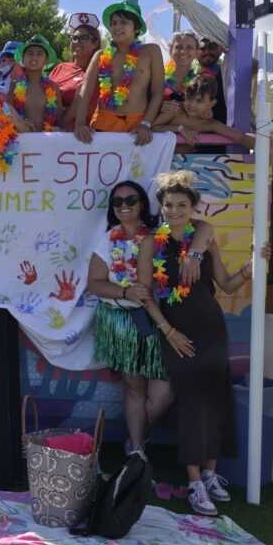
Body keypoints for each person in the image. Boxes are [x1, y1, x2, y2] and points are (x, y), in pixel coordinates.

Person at [142, 171, 247, 516]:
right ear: (161, 207)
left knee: (215, 398)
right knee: (190, 401)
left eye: (181, 205)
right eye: (168, 205)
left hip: (211, 328)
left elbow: (227, 285)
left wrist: (250, 267)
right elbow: (145, 295)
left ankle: (211, 474)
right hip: (177, 333)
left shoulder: (204, 238)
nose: (174, 211)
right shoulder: (151, 244)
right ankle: (194, 483)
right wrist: (168, 331)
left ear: (192, 208)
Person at [86, 181, 169, 459]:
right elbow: (95, 284)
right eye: (117, 202)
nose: (124, 206)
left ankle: (139, 434)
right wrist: (125, 292)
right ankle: (136, 448)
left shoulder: (158, 236)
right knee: (135, 387)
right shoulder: (107, 240)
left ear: (142, 204)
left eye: (130, 200)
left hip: (159, 318)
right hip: (122, 321)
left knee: (163, 393)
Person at [73, 2, 164, 145]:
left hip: (137, 127)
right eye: (113, 23)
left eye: (123, 22)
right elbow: (85, 91)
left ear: (136, 27)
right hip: (103, 124)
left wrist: (146, 124)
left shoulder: (151, 51)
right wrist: (79, 124)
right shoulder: (100, 55)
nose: (117, 27)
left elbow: (158, 92)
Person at [153, 74, 255, 150]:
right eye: (189, 98)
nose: (192, 104)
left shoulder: (209, 124)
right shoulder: (175, 109)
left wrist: (262, 146)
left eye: (199, 101)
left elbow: (240, 137)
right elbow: (152, 127)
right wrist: (180, 128)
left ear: (212, 103)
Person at [51, 13, 100, 128]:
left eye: (84, 38)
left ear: (95, 43)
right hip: (55, 133)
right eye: (74, 38)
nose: (77, 42)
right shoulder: (60, 68)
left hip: (88, 134)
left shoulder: (103, 72)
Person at [6, 35, 63, 132]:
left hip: (47, 139)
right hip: (22, 139)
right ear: (23, 59)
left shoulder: (53, 87)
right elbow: (8, 116)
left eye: (39, 54)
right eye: (30, 53)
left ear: (46, 60)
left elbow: (60, 118)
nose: (34, 57)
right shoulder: (13, 86)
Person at [197, 37, 230, 124]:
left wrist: (231, 53)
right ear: (195, 51)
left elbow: (254, 66)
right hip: (195, 128)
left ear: (219, 50)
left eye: (212, 47)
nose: (207, 52)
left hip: (226, 128)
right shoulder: (189, 75)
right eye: (202, 48)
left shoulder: (228, 71)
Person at [163, 32, 201, 103]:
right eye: (178, 47)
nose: (183, 51)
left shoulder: (200, 82)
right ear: (171, 50)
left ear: (196, 53)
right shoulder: (158, 77)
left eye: (189, 47)